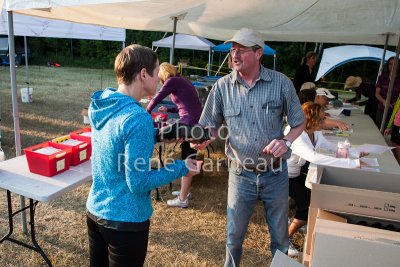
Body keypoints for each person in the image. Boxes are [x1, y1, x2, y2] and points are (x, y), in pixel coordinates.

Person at [192, 28, 305, 266]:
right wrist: (204, 138)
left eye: (241, 50)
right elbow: (210, 125)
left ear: (258, 53)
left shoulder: (281, 83)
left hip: (275, 174)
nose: (234, 54)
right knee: (233, 237)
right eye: (233, 49)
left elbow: (299, 122)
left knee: (280, 238)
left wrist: (285, 141)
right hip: (240, 173)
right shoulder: (222, 86)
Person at [86, 44, 200, 267]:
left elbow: (117, 139)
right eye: (157, 72)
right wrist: (182, 167)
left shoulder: (101, 103)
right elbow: (138, 183)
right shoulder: (137, 117)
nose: (159, 79)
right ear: (143, 74)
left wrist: (155, 135)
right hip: (125, 222)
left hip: (95, 210)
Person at [285, 102, 369, 257]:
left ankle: (298, 222)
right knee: (307, 203)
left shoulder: (315, 133)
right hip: (281, 176)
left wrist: (356, 153)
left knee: (313, 197)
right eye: (321, 120)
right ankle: (284, 239)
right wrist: (352, 163)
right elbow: (315, 157)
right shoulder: (297, 135)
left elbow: (332, 148)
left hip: (294, 173)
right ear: (312, 120)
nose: (325, 123)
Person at [146, 62, 203, 208]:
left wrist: (146, 111)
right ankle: (185, 192)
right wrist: (169, 109)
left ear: (163, 74)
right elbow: (184, 104)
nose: (159, 80)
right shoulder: (182, 80)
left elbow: (157, 97)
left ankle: (183, 200)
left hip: (190, 124)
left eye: (159, 76)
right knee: (188, 155)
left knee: (187, 157)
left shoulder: (172, 81)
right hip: (193, 122)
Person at [375, 56, 400, 128]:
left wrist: (397, 103)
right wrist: (383, 101)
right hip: (382, 108)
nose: (392, 66)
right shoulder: (382, 77)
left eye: (395, 64)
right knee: (379, 129)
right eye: (390, 64)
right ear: (388, 65)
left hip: (395, 110)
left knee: (391, 132)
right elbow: (377, 93)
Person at [384, 94, 400, 164]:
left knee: (398, 145)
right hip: (396, 122)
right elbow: (395, 111)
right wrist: (389, 126)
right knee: (393, 143)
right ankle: (397, 163)